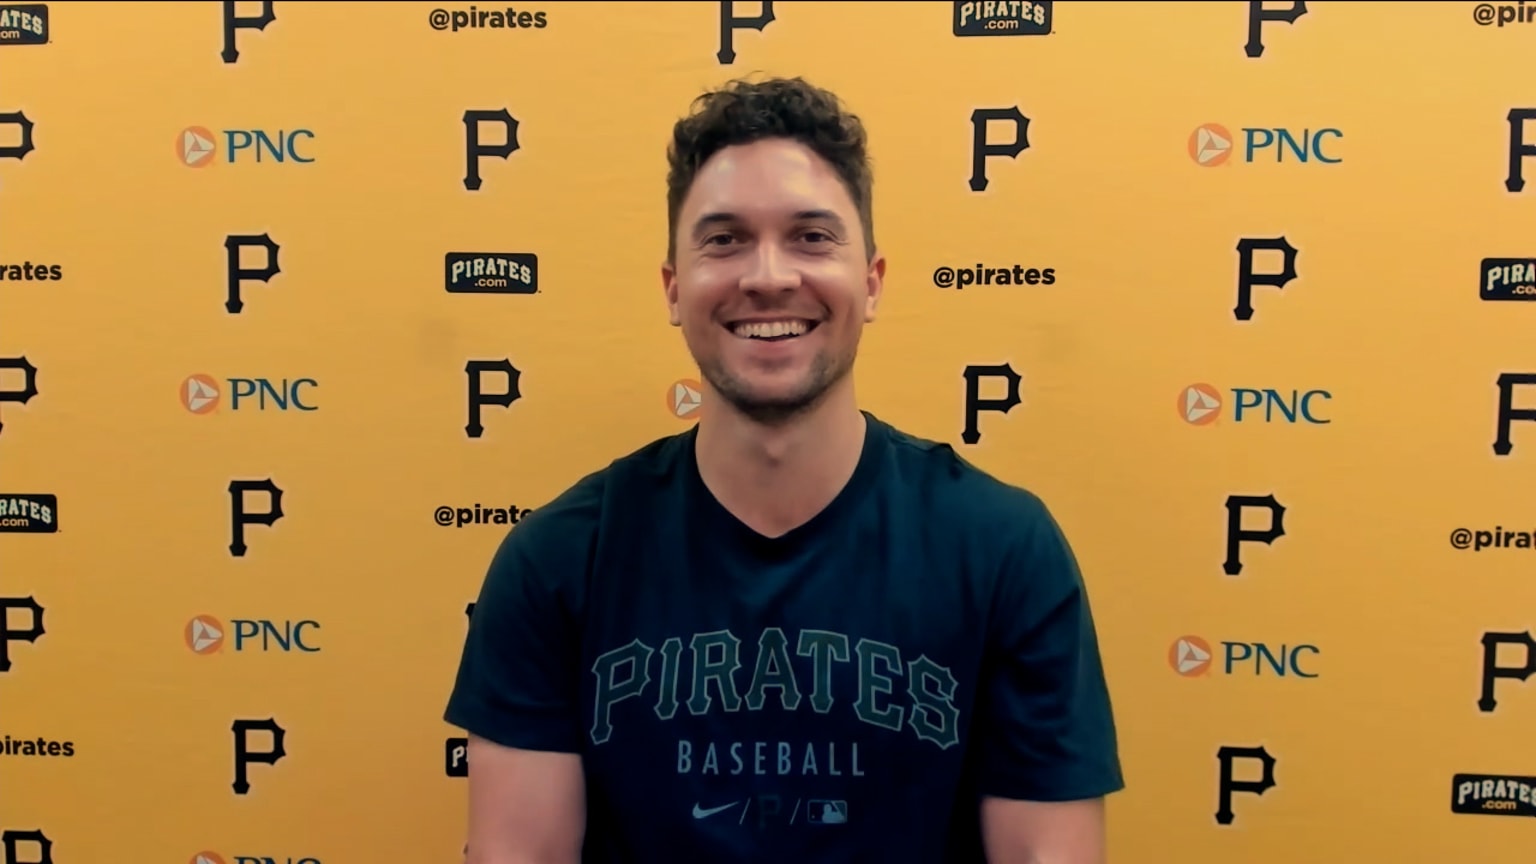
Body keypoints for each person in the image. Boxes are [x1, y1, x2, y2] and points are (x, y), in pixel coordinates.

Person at [443, 75, 1124, 864]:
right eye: (724, 238)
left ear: (871, 283)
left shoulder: (1003, 550)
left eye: (811, 236)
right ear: (674, 288)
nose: (768, 276)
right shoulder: (557, 561)